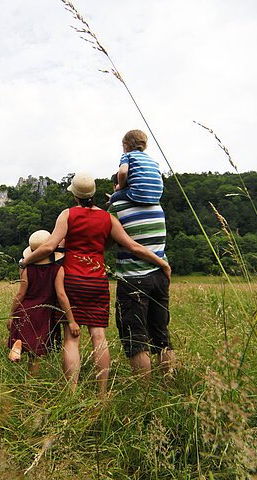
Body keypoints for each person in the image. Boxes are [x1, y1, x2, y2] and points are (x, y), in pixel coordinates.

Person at [21, 173, 170, 397]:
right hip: (97, 280)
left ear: (75, 196)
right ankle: (102, 393)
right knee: (99, 336)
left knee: (72, 339)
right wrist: (161, 263)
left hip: (71, 280)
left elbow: (49, 247)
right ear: (93, 194)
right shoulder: (108, 219)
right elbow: (133, 246)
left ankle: (71, 393)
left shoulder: (67, 215)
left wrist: (25, 261)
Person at [108, 131, 175, 378]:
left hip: (134, 277)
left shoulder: (117, 205)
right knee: (161, 334)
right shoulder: (156, 204)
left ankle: (143, 392)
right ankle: (168, 381)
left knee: (135, 337)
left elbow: (108, 238)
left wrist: (114, 198)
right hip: (160, 274)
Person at [8, 230, 77, 375]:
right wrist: (71, 320)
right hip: (43, 313)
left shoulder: (27, 269)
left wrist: (11, 315)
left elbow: (20, 293)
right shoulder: (58, 270)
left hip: (25, 309)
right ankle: (31, 382)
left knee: (22, 338)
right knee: (36, 353)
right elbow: (61, 295)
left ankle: (17, 346)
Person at [108, 129, 163, 205]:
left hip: (137, 194)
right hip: (156, 196)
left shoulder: (127, 156)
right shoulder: (151, 159)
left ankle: (110, 204)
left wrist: (120, 186)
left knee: (114, 197)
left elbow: (123, 172)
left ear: (125, 145)